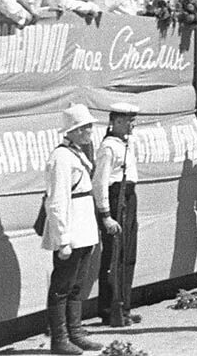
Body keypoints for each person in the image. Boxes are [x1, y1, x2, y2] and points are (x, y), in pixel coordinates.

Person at [41, 104, 104, 355]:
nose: (90, 130)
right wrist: (63, 238)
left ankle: (75, 332)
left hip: (85, 228)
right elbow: (57, 200)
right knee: (61, 286)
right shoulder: (61, 158)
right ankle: (60, 339)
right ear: (74, 131)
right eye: (85, 127)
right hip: (71, 231)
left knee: (78, 284)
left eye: (89, 126)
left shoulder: (76, 153)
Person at [94, 103, 141, 328]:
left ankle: (124, 306)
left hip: (129, 197)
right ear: (117, 121)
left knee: (127, 255)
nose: (133, 124)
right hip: (115, 199)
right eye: (129, 120)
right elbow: (100, 183)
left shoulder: (126, 143)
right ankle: (109, 308)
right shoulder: (109, 147)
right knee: (113, 256)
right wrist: (105, 214)